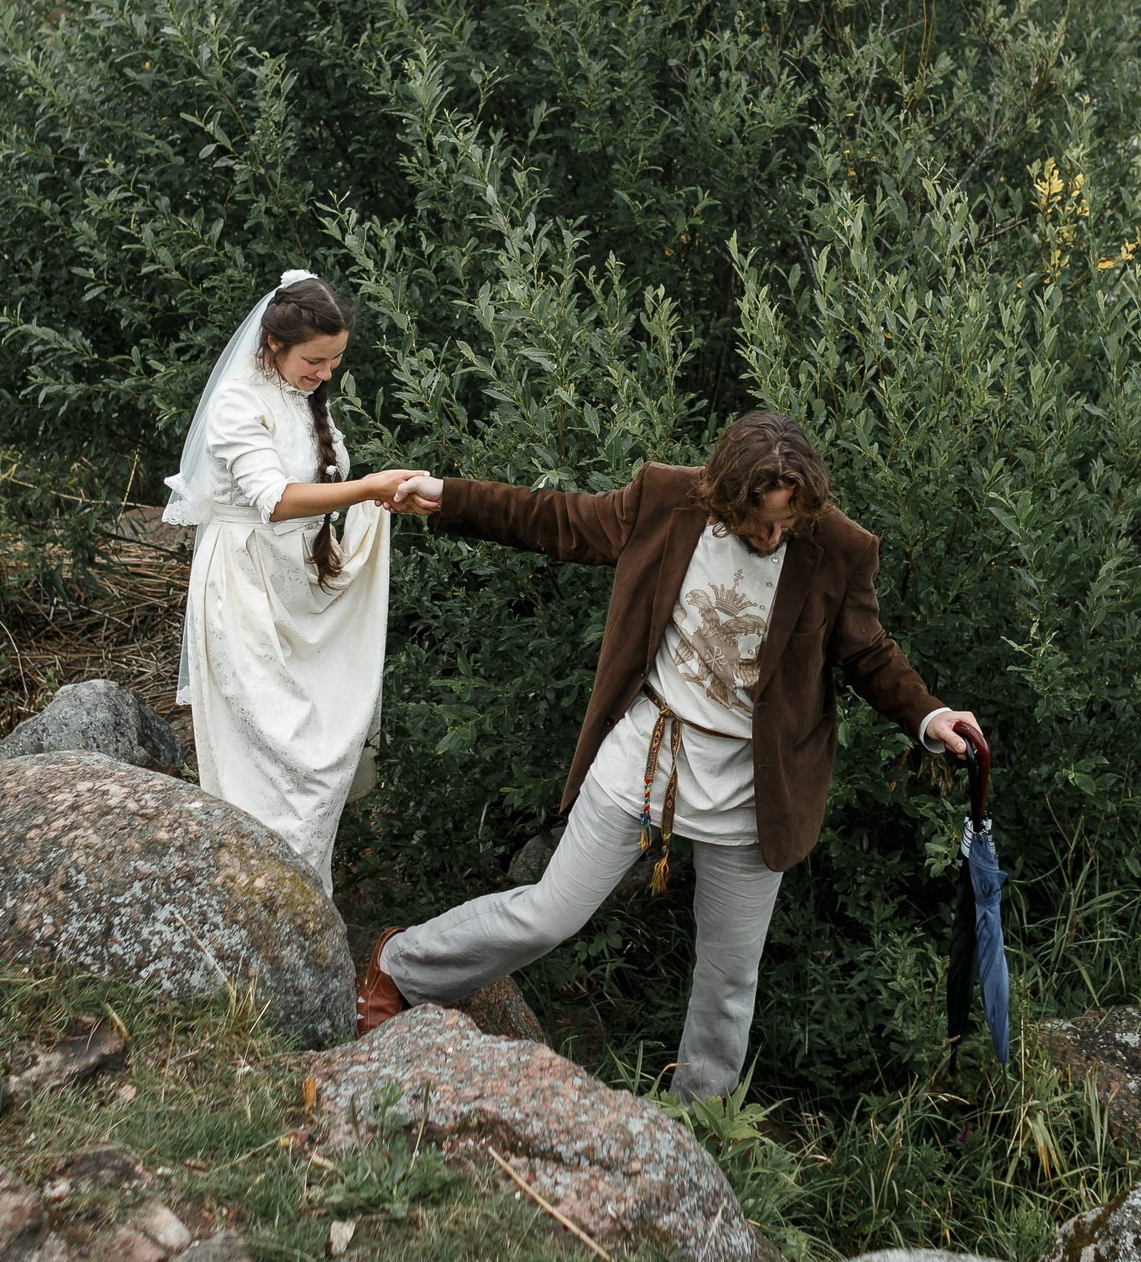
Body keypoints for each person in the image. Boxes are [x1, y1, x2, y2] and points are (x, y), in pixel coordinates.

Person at [359, 409, 983, 1095]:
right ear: (724, 498)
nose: (775, 535)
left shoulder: (839, 548)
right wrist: (450, 495)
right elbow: (555, 519)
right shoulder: (665, 500)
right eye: (762, 523)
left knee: (728, 976)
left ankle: (696, 1124)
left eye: (789, 520)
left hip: (755, 787)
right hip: (647, 750)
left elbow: (867, 652)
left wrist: (930, 715)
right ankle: (403, 964)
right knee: (550, 912)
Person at [163, 270, 425, 891]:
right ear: (274, 345)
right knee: (276, 761)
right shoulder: (237, 402)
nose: (326, 373)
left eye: (336, 360)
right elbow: (273, 500)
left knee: (319, 754)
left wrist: (380, 501)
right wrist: (367, 487)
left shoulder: (303, 396)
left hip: (297, 585)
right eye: (316, 359)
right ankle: (254, 907)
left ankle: (302, 909)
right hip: (247, 590)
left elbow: (319, 492)